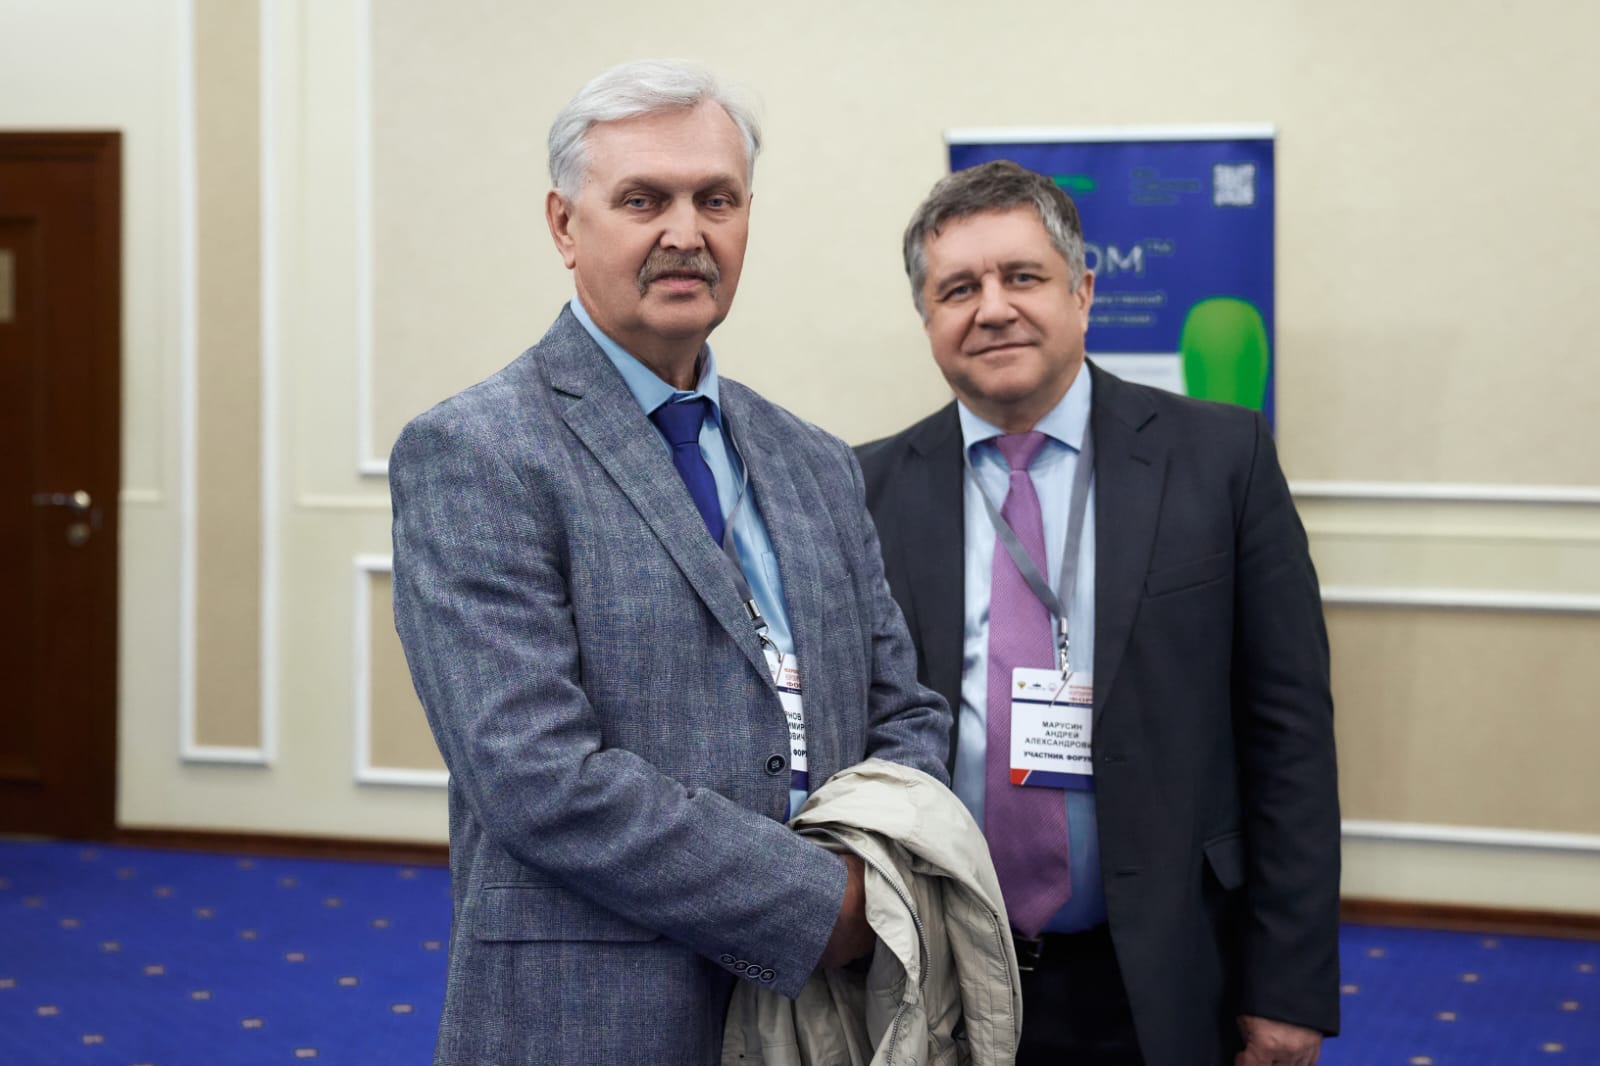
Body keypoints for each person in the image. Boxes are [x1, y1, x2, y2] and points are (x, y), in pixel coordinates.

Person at [389, 60, 950, 1065]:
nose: (686, 232)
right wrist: (817, 905)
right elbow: (539, 777)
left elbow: (900, 708)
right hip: (599, 1014)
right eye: (643, 200)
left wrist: (882, 877)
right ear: (565, 225)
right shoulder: (476, 452)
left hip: (829, 1014)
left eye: (716, 199)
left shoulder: (815, 460)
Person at [856, 159, 1340, 1066]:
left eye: (1022, 277)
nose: (992, 308)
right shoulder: (864, 488)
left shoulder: (1219, 460)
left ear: (1082, 292)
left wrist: (1289, 984)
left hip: (1167, 962)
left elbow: (1291, 737)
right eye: (958, 289)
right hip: (943, 975)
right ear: (927, 318)